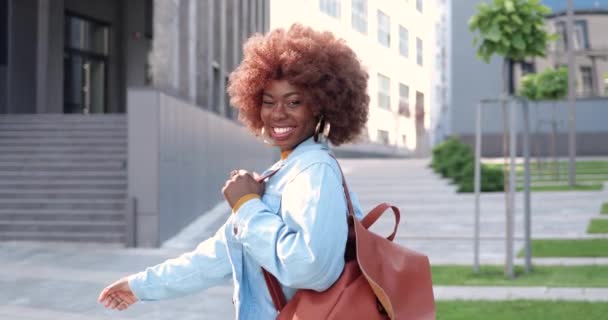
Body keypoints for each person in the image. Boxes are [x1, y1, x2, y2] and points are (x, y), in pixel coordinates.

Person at [98, 23, 370, 319]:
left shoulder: (315, 171)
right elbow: (218, 257)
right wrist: (140, 286)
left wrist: (248, 207)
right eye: (268, 102)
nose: (278, 113)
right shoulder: (281, 174)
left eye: (294, 102)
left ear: (319, 106)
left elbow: (313, 269)